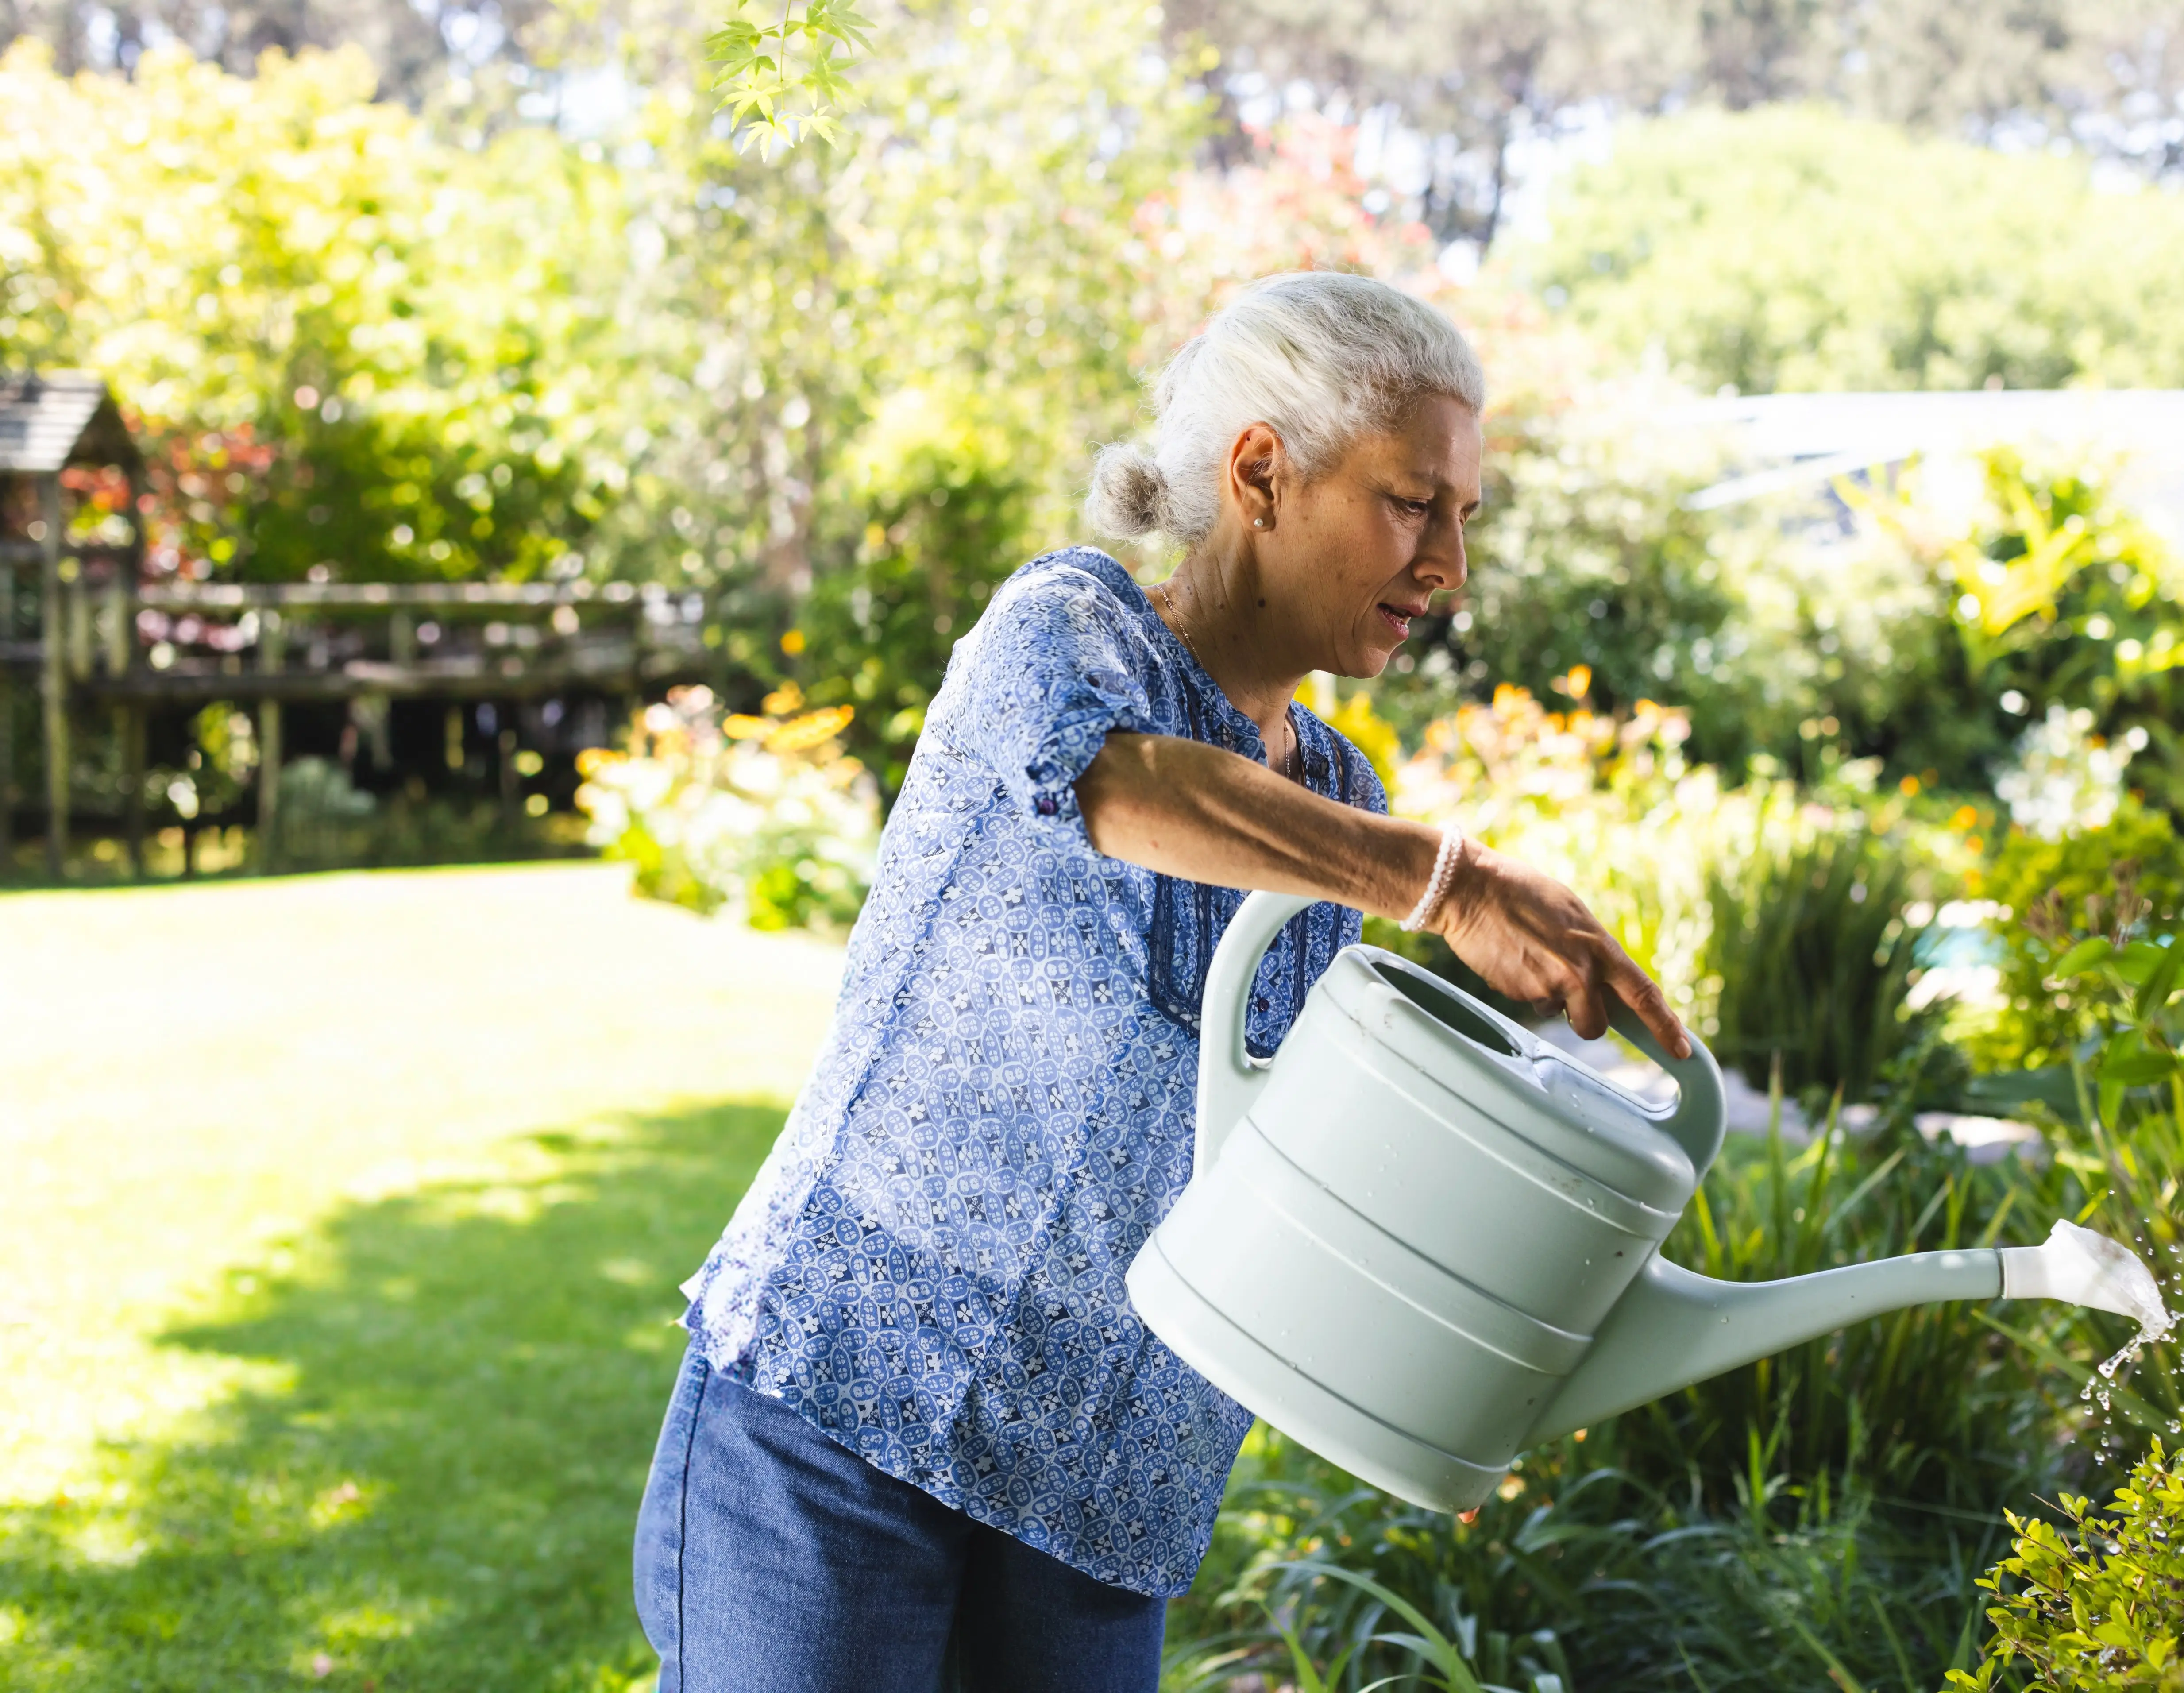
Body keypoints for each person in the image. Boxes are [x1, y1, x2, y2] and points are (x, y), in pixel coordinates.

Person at [632, 271, 1691, 1693]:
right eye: (1408, 501)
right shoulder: (1066, 629)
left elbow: (1286, 1149)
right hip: (843, 1418)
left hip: (1107, 1493)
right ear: (1260, 472)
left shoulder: (1343, 793)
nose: (1448, 565)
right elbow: (1120, 785)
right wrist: (1451, 883)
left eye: (1462, 516)